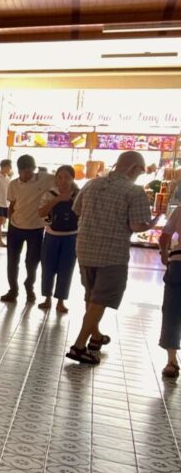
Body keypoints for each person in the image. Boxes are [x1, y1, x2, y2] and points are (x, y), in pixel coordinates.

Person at [66, 150, 154, 365]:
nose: (140, 175)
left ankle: (95, 337)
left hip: (85, 248)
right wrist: (151, 223)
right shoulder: (134, 192)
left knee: (92, 297)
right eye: (141, 171)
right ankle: (79, 346)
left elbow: (76, 210)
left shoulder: (91, 184)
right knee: (100, 300)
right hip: (112, 253)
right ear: (134, 168)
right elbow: (136, 225)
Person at [1, 155, 49, 303]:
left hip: (36, 228)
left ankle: (29, 286)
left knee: (32, 262)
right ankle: (13, 290)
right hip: (15, 227)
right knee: (12, 260)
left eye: (30, 171)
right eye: (24, 172)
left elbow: (63, 177)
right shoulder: (14, 184)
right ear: (19, 170)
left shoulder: (44, 179)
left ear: (34, 169)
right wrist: (8, 221)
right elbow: (12, 204)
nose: (28, 174)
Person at [37, 165, 80, 313]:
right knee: (47, 268)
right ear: (56, 178)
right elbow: (41, 213)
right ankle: (47, 298)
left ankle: (61, 301)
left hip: (71, 237)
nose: (63, 181)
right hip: (51, 236)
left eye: (67, 177)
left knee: (66, 270)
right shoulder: (49, 194)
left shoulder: (79, 195)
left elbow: (84, 214)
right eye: (60, 177)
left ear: (72, 178)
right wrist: (57, 200)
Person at [159, 207, 181, 379]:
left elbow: (165, 236)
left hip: (178, 263)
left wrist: (165, 254)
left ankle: (172, 361)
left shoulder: (179, 210)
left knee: (171, 312)